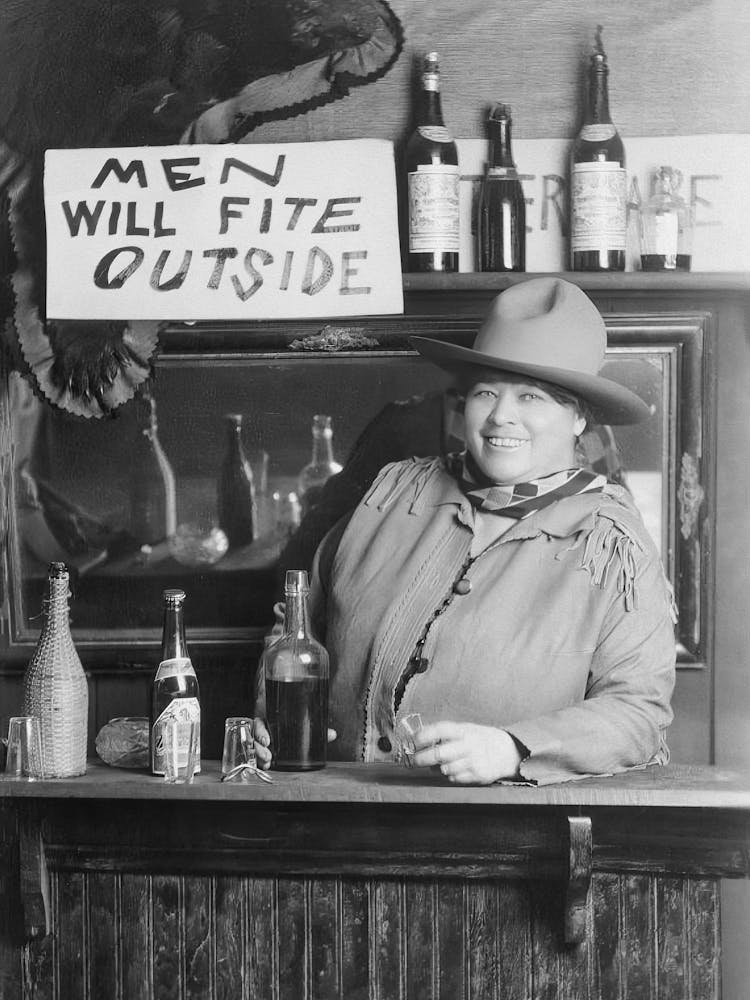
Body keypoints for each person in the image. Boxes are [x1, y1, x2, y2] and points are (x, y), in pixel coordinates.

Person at [254, 277, 676, 785]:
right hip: (334, 815)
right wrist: (272, 708)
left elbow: (639, 714)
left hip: (499, 839)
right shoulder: (392, 494)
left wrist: (515, 749)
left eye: (531, 398)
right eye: (485, 393)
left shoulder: (612, 546)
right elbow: (296, 626)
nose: (501, 417)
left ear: (579, 418)